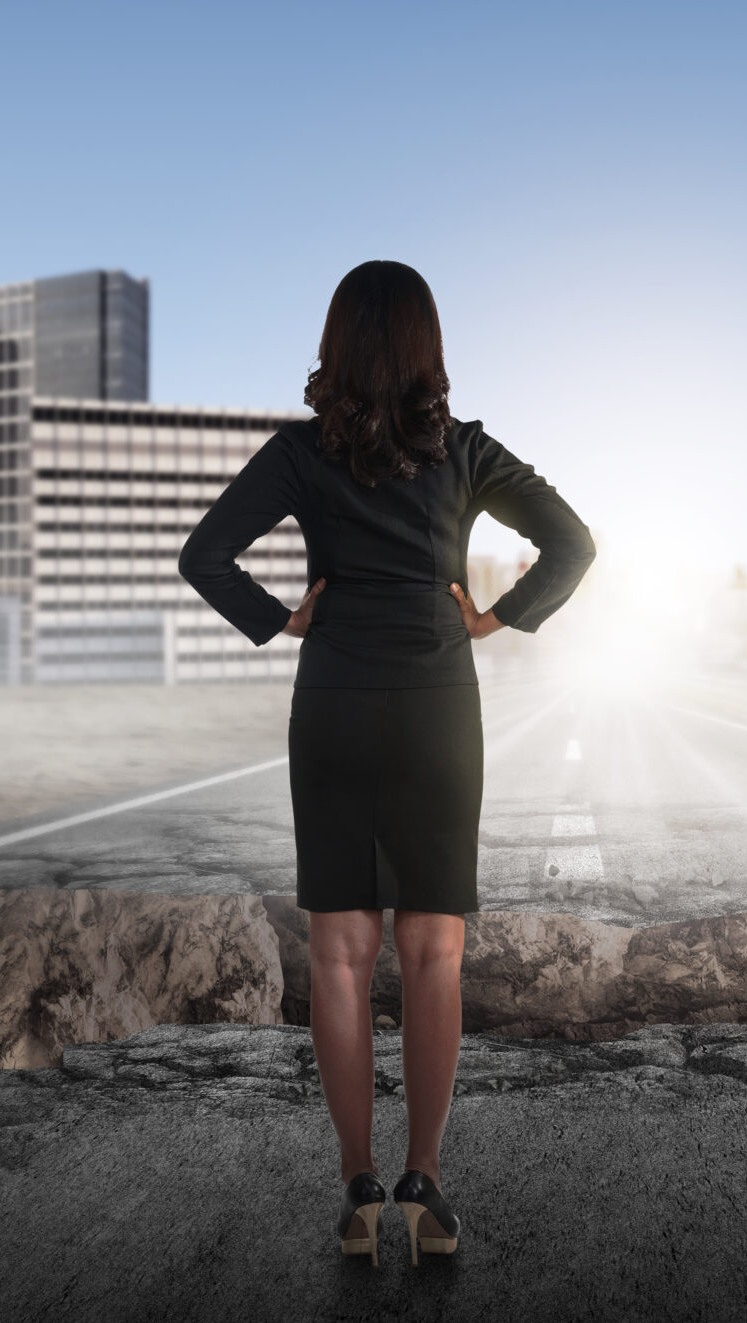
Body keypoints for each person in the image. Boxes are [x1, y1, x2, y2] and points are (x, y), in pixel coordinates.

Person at [178, 259, 594, 1266]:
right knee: (433, 952)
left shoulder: (298, 453)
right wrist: (497, 618)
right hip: (436, 703)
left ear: (336, 344)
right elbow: (573, 545)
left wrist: (282, 619)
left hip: (332, 703)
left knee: (338, 954)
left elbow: (204, 555)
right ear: (427, 347)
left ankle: (358, 1197)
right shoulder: (464, 450)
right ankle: (427, 1189)